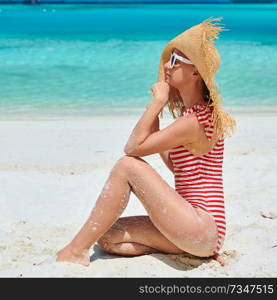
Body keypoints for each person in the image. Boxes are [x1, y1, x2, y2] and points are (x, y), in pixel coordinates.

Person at [43, 17, 236, 267]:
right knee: (108, 236)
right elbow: (177, 168)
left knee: (127, 165)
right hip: (199, 233)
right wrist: (157, 110)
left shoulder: (197, 119)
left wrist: (156, 103)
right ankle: (192, 250)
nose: (167, 65)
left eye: (175, 61)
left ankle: (75, 251)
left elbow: (133, 148)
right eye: (168, 59)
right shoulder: (194, 116)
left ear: (196, 72)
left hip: (201, 225)